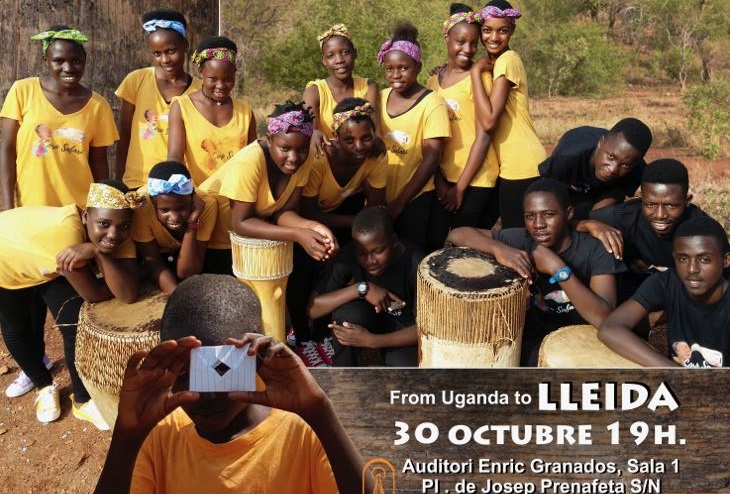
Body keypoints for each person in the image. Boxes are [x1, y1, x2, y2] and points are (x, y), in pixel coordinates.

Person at [92, 274, 370, 494]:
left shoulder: (303, 430)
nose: (205, 395)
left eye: (221, 369)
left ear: (255, 355)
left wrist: (320, 411)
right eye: (184, 373)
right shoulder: (158, 436)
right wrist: (127, 437)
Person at [0, 180, 140, 427]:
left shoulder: (119, 228)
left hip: (41, 255)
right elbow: (95, 293)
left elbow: (127, 293)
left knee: (72, 323)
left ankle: (82, 400)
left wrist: (96, 251)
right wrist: (98, 254)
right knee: (16, 327)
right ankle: (43, 384)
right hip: (6, 259)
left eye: (124, 226)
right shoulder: (65, 236)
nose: (114, 235)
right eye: (104, 224)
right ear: (86, 217)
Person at [198, 102, 338, 346]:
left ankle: (289, 346)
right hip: (214, 240)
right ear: (270, 139)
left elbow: (284, 213)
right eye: (284, 148)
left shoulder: (302, 163)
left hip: (248, 244)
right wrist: (297, 235)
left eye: (302, 149)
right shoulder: (249, 163)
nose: (294, 157)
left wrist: (312, 227)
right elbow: (240, 222)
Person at [447, 178, 626, 365]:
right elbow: (458, 233)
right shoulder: (522, 240)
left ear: (569, 213)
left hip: (582, 341)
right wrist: (499, 249)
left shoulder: (595, 249)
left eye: (548, 214)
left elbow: (604, 318)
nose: (538, 224)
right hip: (535, 337)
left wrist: (556, 267)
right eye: (530, 216)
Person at [0, 26, 118, 210]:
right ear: (45, 60)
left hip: (76, 211)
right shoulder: (22, 91)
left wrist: (99, 210)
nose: (68, 68)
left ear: (85, 61)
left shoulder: (98, 106)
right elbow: (7, 150)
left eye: (76, 61)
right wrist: (8, 209)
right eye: (58, 61)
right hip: (28, 208)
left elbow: (99, 165)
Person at [599, 216, 730, 367]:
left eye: (704, 260)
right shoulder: (668, 282)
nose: (692, 269)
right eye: (683, 259)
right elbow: (610, 328)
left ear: (725, 260)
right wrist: (672, 372)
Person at [577, 158, 710, 302]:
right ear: (641, 198)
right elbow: (568, 225)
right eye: (651, 204)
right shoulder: (624, 216)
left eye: (671, 206)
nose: (660, 215)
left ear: (687, 201)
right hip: (630, 294)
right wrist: (589, 225)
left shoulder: (704, 232)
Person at [428, 3, 500, 250]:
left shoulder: (481, 79)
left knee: (466, 249)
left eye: (473, 44)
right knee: (434, 243)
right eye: (460, 41)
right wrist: (439, 181)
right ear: (446, 38)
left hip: (475, 179)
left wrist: (460, 188)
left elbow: (484, 136)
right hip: (444, 178)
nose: (468, 49)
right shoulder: (432, 81)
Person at [309, 207, 421, 367]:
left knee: (403, 368)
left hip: (402, 325)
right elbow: (313, 308)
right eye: (362, 253)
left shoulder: (415, 264)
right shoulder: (349, 256)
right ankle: (344, 373)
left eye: (378, 251)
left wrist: (373, 341)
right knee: (347, 314)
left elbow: (426, 329)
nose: (370, 260)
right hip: (366, 315)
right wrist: (361, 289)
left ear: (394, 242)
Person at [470, 0, 546, 229]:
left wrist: (474, 72)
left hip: (522, 163)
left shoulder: (507, 60)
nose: (494, 37)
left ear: (512, 31)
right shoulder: (495, 63)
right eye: (487, 30)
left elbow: (490, 119)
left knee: (517, 237)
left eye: (503, 30)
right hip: (509, 165)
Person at [378, 21, 451, 250]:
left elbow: (432, 158)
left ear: (418, 67)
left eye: (404, 68)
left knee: (410, 255)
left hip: (414, 197)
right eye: (390, 68)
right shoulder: (379, 98)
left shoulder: (432, 103)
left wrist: (400, 203)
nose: (396, 74)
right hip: (380, 194)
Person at [115, 8, 201, 188]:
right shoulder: (136, 80)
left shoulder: (199, 90)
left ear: (185, 45)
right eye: (157, 53)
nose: (165, 59)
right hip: (137, 181)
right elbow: (125, 134)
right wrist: (119, 181)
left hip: (179, 185)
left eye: (171, 51)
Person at [167, 35, 257, 185]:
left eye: (228, 79)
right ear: (201, 71)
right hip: (199, 196)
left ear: (235, 73)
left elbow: (254, 158)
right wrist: (186, 193)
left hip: (238, 196)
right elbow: (175, 157)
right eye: (213, 79)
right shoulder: (182, 107)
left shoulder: (245, 112)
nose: (221, 86)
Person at [538, 117, 653, 220]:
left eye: (625, 165)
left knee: (603, 217)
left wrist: (593, 220)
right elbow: (545, 193)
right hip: (567, 189)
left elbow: (616, 195)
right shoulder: (568, 156)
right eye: (611, 157)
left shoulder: (638, 170)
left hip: (601, 195)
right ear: (601, 142)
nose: (613, 169)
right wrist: (579, 224)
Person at [132, 161, 217, 293]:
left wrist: (192, 223)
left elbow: (187, 273)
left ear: (193, 199)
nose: (175, 217)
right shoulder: (141, 206)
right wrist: (176, 296)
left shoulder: (206, 205)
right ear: (154, 204)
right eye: (165, 210)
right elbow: (154, 262)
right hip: (158, 256)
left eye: (182, 208)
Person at [304, 23, 379, 156]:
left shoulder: (368, 87)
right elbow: (311, 132)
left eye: (345, 52)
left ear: (355, 53)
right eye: (331, 55)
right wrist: (313, 134)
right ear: (324, 61)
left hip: (361, 159)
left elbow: (373, 128)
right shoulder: (315, 92)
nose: (339, 60)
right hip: (326, 162)